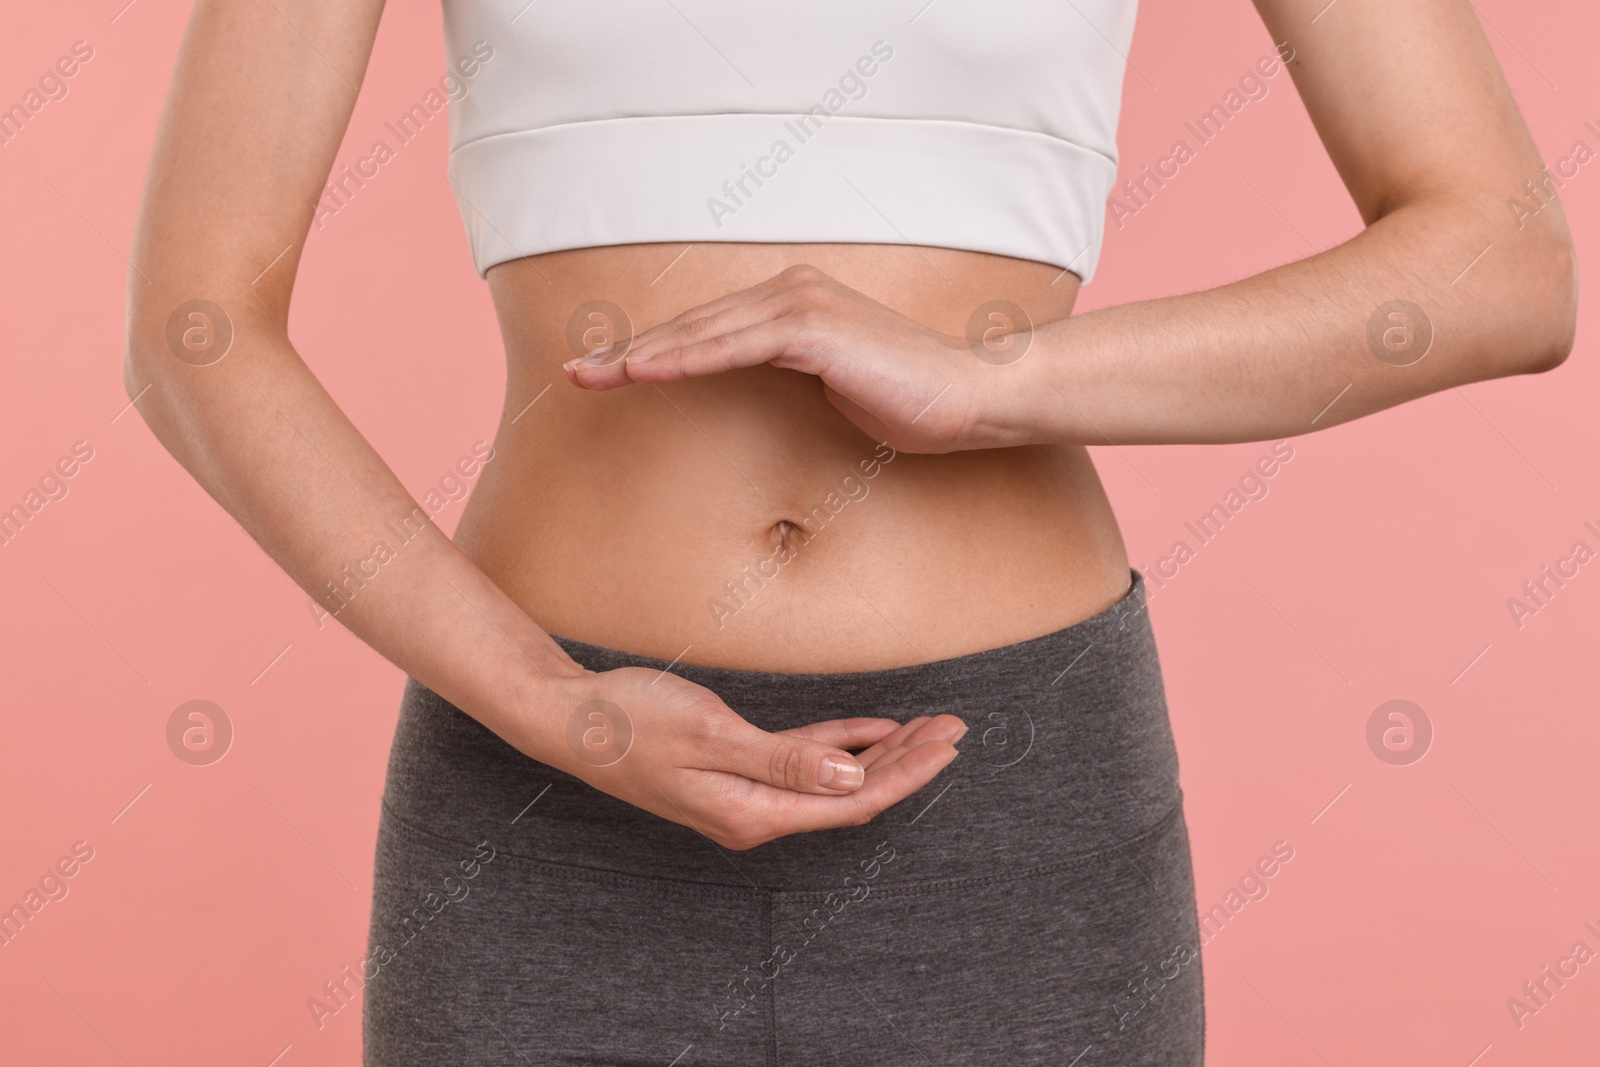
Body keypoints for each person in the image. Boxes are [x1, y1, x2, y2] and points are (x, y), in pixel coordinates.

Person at [125, 1, 1576, 1064]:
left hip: (1008, 805)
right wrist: (547, 706)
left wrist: (994, 382)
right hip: (544, 788)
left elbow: (1504, 263)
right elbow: (195, 331)